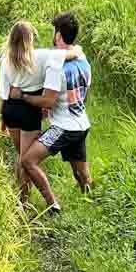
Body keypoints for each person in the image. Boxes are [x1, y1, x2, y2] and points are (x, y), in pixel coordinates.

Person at [15, 12, 92, 214]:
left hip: (63, 128)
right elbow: (85, 94)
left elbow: (47, 100)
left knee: (27, 161)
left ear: (58, 36)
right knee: (81, 173)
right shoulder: (84, 60)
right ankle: (91, 202)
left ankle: (52, 204)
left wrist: (24, 97)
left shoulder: (57, 66)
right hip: (81, 123)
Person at [0, 21, 78, 201]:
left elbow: (3, 92)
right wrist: (77, 51)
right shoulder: (41, 56)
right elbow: (69, 55)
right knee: (26, 159)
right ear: (30, 38)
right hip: (29, 110)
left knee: (21, 156)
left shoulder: (6, 59)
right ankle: (24, 200)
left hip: (10, 109)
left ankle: (22, 199)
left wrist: (2, 117)